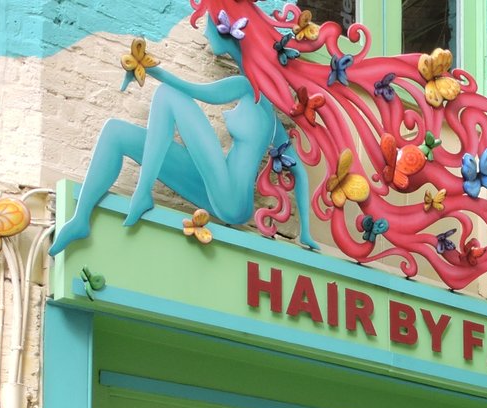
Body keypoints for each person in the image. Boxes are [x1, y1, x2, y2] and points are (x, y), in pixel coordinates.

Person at [48, 5, 318, 256]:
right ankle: (81, 218)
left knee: (168, 95)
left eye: (209, 23)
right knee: (116, 134)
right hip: (219, 193)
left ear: (229, 32)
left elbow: (190, 91)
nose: (205, 32)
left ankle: (143, 192)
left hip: (231, 198)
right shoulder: (268, 114)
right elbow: (300, 174)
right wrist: (305, 231)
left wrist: (147, 68)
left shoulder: (249, 89)